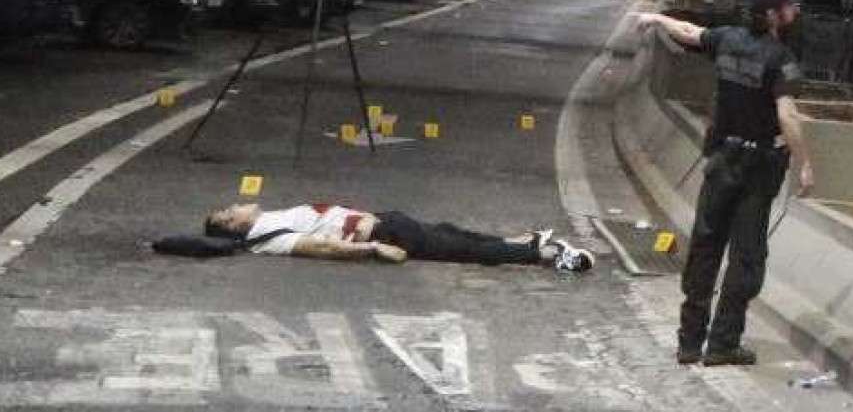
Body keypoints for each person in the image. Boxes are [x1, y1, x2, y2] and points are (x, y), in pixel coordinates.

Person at [631, 0, 816, 368]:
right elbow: (786, 116)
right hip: (758, 168)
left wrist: (654, 17)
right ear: (771, 16)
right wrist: (805, 163)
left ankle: (689, 342)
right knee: (746, 257)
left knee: (705, 245)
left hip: (721, 161)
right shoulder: (781, 59)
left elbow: (688, 32)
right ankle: (723, 344)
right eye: (788, 8)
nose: (794, 14)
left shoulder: (727, 40)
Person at [202, 202, 591, 270]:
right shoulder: (267, 238)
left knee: (451, 234)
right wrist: (372, 248)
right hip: (384, 232)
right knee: (463, 250)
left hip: (384, 220)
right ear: (234, 227)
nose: (235, 205)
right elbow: (318, 246)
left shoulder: (267, 219)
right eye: (228, 212)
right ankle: (552, 255)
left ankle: (523, 241)